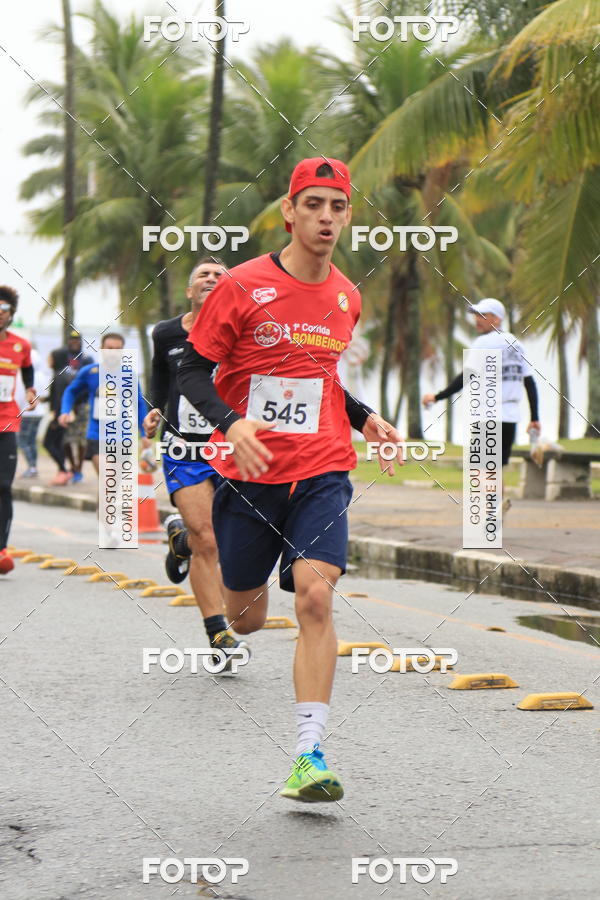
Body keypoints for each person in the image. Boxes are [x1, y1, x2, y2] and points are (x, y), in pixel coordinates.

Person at [177, 158, 403, 802]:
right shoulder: (243, 286)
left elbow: (322, 377)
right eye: (314, 205)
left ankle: (309, 752)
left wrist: (365, 418)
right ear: (289, 211)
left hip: (324, 467)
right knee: (246, 619)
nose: (327, 217)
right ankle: (186, 535)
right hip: (250, 475)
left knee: (315, 598)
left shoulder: (345, 297)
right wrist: (232, 422)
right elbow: (193, 371)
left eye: (339, 206)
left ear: (349, 215)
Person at [143, 257, 249, 663]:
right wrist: (154, 408)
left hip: (232, 446)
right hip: (182, 448)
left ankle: (179, 539)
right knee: (207, 538)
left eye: (220, 275)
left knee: (222, 537)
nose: (211, 278)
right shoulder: (166, 333)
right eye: (202, 274)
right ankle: (218, 633)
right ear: (190, 291)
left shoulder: (243, 332)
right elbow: (161, 378)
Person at [422, 297, 540, 508]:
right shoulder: (516, 344)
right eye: (476, 315)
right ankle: (497, 506)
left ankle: (490, 512)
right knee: (496, 468)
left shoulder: (484, 343)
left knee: (482, 468)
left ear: (497, 318)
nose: (477, 319)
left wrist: (437, 396)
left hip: (488, 415)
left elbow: (465, 376)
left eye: (483, 315)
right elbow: (529, 382)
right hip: (510, 416)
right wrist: (535, 418)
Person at [59, 332, 148, 476]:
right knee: (108, 478)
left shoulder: (129, 375)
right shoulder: (90, 372)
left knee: (112, 488)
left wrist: (144, 434)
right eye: (109, 348)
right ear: (101, 349)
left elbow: (138, 404)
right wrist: (65, 411)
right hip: (97, 436)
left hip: (122, 437)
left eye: (118, 349)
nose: (113, 353)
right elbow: (71, 391)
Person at [0, 286, 37, 574]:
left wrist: (30, 389)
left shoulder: (20, 345)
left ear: (11, 315)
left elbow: (27, 368)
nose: (0, 315)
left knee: (3, 486)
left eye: (4, 311)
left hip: (6, 421)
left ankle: (1, 548)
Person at [44, 330, 93, 485]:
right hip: (65, 407)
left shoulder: (86, 359)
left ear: (81, 341)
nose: (74, 342)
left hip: (82, 405)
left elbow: (89, 384)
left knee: (80, 440)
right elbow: (58, 391)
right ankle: (70, 468)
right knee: (65, 440)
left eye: (77, 340)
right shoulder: (62, 359)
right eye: (71, 340)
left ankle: (77, 469)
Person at [16, 346, 48, 477]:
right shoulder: (41, 375)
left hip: (27, 413)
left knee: (22, 441)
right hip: (39, 413)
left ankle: (32, 467)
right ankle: (33, 465)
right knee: (32, 441)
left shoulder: (24, 376)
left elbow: (18, 396)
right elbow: (45, 395)